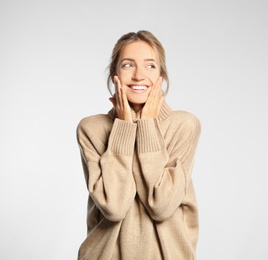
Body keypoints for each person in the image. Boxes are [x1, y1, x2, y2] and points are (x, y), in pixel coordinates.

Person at [76, 30, 201, 260]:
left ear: (161, 77)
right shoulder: (91, 129)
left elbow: (161, 205)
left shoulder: (184, 125)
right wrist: (124, 127)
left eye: (150, 66)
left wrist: (147, 126)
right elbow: (114, 206)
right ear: (114, 74)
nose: (138, 75)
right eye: (127, 65)